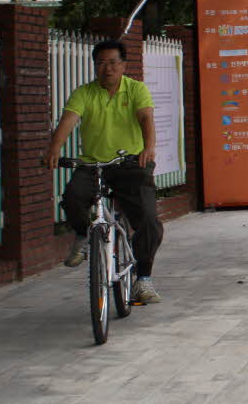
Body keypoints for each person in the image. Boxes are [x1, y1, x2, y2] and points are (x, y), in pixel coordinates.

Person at [43, 39, 166, 304]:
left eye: (113, 62)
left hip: (131, 163)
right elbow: (69, 120)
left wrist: (149, 147)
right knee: (73, 198)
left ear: (123, 65)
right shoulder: (84, 93)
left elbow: (146, 118)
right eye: (100, 63)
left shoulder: (136, 90)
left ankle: (143, 279)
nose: (107, 69)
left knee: (147, 219)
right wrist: (54, 147)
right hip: (93, 164)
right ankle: (83, 235)